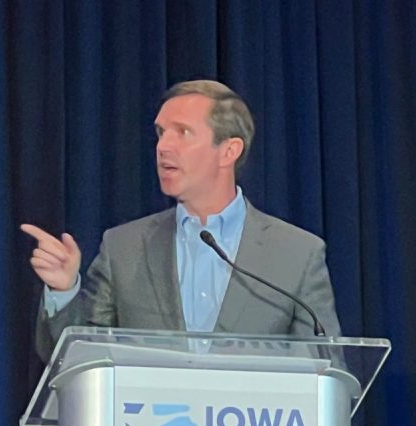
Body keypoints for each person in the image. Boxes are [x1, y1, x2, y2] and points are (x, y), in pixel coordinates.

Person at [21, 80, 341, 360]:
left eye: (183, 132)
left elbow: (324, 372)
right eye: (161, 133)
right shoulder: (124, 247)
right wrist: (64, 291)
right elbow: (78, 362)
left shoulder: (297, 253)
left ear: (228, 151)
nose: (163, 147)